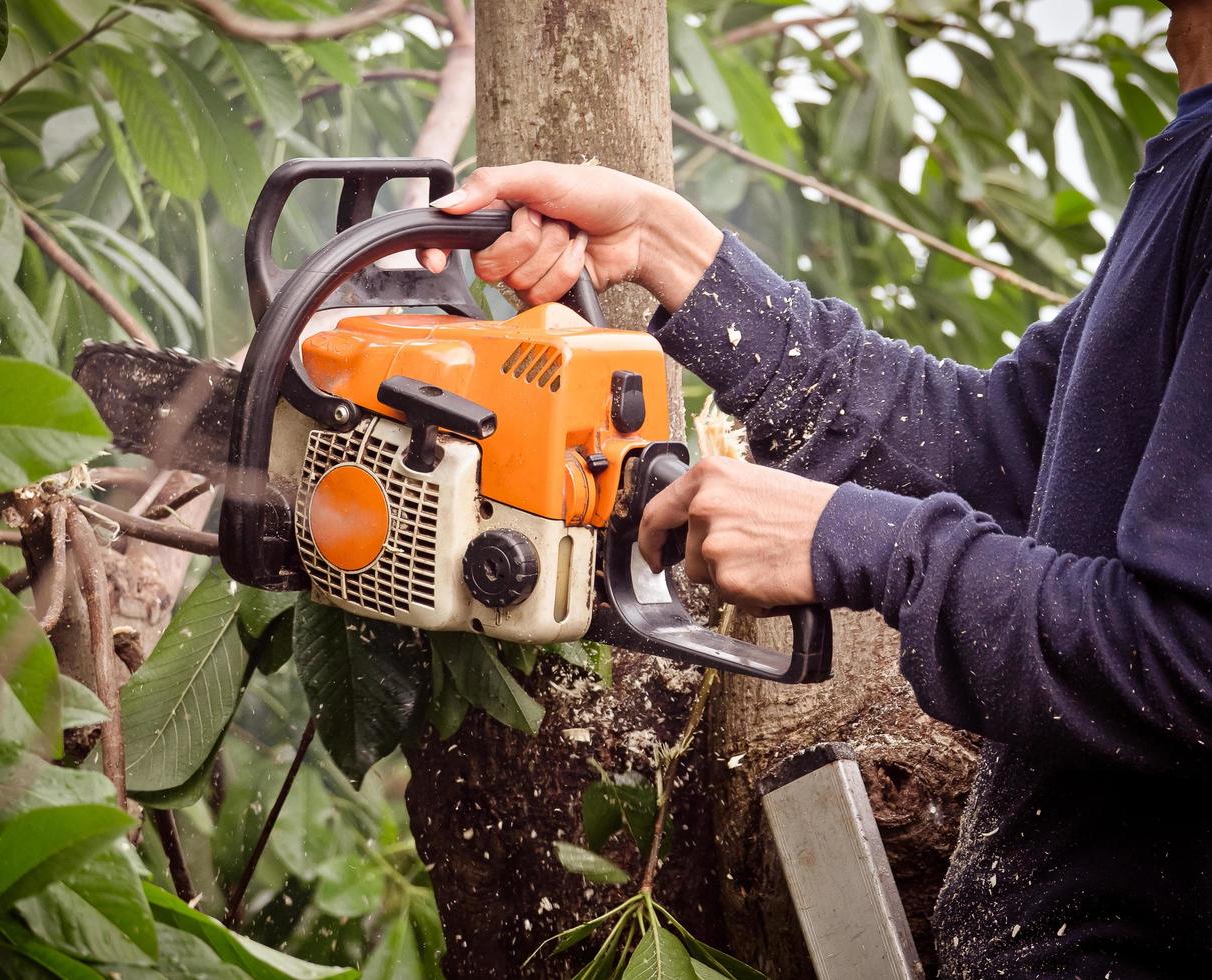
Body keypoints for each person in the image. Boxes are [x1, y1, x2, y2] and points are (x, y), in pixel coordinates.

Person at [418, 3, 1212, 976]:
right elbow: (1003, 452)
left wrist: (868, 544)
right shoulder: (1194, 149)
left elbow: (1190, 660)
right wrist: (671, 252)